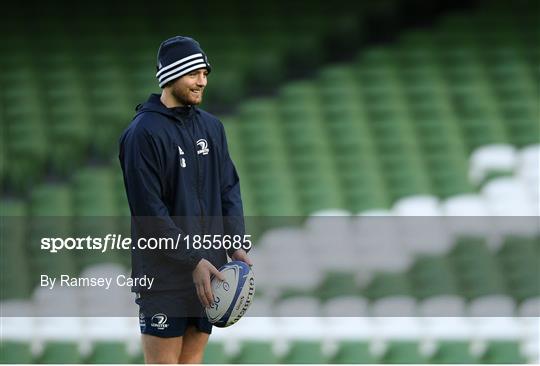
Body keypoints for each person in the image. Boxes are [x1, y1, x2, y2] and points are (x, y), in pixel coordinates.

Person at [119, 36, 252, 364]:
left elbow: (228, 190)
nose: (202, 81)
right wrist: (192, 260)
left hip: (209, 273)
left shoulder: (212, 127)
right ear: (171, 74)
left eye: (205, 73)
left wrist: (235, 245)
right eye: (194, 73)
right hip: (164, 278)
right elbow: (149, 212)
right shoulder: (142, 134)